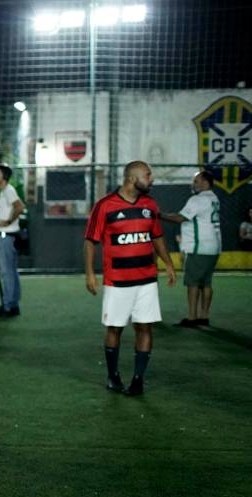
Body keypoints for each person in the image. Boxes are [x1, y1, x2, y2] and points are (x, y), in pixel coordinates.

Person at [83, 161, 176, 396]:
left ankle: (138, 380)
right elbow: (90, 241)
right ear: (133, 179)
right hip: (117, 281)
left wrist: (168, 264)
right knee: (115, 329)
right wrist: (90, 272)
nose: (152, 179)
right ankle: (113, 377)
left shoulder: (150, 205)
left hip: (146, 279)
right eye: (148, 175)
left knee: (145, 327)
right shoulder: (104, 206)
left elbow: (157, 237)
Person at [161, 171, 221, 327]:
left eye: (196, 181)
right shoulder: (214, 198)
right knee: (206, 283)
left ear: (206, 183)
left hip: (199, 247)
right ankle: (204, 316)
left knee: (193, 283)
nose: (193, 184)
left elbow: (181, 218)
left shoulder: (197, 200)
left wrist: (158, 215)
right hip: (214, 246)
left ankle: (192, 317)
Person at [0, 164, 25, 317]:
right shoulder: (3, 192)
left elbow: (19, 207)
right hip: (8, 237)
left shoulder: (8, 190)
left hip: (6, 237)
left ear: (4, 176)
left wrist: (8, 221)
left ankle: (8, 305)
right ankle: (13, 303)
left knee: (7, 272)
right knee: (11, 272)